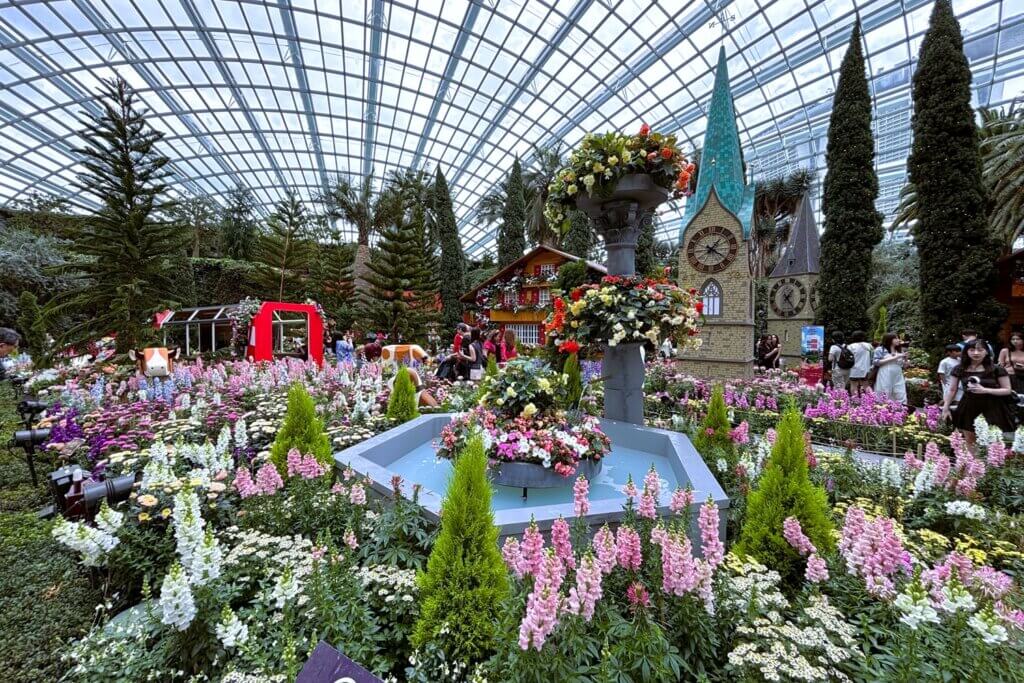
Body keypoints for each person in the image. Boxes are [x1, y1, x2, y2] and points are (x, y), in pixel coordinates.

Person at [942, 338, 1015, 450]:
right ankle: (974, 465)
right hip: (969, 406)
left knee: (993, 440)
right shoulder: (959, 369)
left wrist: (985, 390)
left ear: (986, 351)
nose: (976, 353)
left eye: (980, 350)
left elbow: (1007, 390)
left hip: (993, 407)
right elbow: (952, 389)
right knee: (970, 440)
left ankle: (991, 464)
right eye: (972, 350)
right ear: (966, 351)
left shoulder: (996, 369)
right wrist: (946, 407)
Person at [872, 333, 908, 403]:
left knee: (900, 391)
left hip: (898, 374)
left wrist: (906, 360)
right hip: (885, 373)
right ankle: (883, 409)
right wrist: (894, 358)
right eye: (896, 338)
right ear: (889, 340)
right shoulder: (880, 349)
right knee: (885, 391)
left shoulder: (900, 350)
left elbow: (904, 366)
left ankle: (901, 409)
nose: (898, 340)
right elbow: (876, 362)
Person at [847, 330, 874, 395]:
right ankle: (871, 399)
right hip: (866, 369)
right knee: (866, 384)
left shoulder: (850, 346)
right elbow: (873, 356)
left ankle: (855, 401)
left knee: (853, 385)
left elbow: (848, 358)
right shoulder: (869, 346)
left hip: (854, 369)